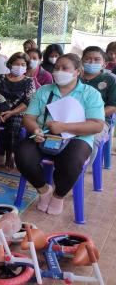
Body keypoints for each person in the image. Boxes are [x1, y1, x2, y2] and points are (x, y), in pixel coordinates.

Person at [16, 54, 105, 216]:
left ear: (77, 71)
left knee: (72, 162)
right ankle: (44, 190)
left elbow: (97, 125)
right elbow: (29, 118)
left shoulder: (90, 94)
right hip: (45, 134)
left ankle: (59, 196)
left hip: (77, 137)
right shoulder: (43, 91)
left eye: (65, 68)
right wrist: (35, 129)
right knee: (23, 154)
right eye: (57, 68)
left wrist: (64, 127)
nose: (59, 71)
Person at [0, 52, 35, 168]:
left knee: (13, 124)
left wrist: (11, 112)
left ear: (26, 66)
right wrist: (0, 111)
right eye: (17, 64)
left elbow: (28, 101)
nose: (20, 67)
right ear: (10, 64)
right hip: (0, 110)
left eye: (23, 64)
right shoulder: (1, 78)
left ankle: (9, 155)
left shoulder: (29, 81)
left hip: (18, 112)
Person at [80, 46, 116, 168]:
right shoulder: (75, 77)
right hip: (71, 118)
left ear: (104, 64)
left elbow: (112, 106)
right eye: (88, 59)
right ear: (81, 61)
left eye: (97, 60)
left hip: (100, 120)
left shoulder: (110, 80)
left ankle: (78, 171)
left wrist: (91, 117)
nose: (92, 62)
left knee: (91, 137)